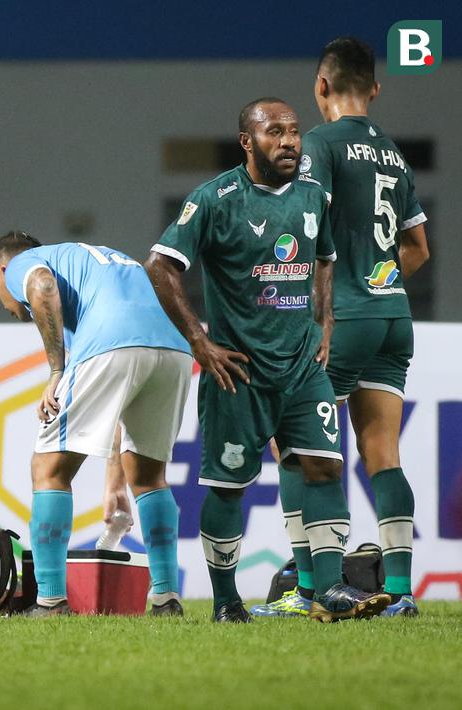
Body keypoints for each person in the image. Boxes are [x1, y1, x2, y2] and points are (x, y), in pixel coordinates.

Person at [145, 97, 391, 622]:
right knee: (230, 486)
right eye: (274, 132)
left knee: (324, 466)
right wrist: (199, 341)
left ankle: (330, 590)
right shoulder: (215, 199)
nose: (289, 142)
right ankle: (226, 600)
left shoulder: (311, 195)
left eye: (295, 131)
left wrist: (324, 322)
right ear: (247, 141)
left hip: (302, 366)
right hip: (240, 373)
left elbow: (324, 256)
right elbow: (160, 265)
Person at [253, 38, 430, 619]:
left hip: (340, 320)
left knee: (298, 451)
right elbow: (418, 248)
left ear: (320, 87)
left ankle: (309, 590)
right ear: (374, 89)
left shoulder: (319, 146)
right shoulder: (396, 157)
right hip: (392, 318)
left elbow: (301, 229)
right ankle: (402, 592)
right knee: (383, 453)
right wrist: (375, 278)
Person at [0, 231, 192, 616]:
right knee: (148, 476)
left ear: (1, 269)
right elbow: (120, 397)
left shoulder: (21, 265)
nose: (4, 300)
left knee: (48, 468)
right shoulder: (96, 263)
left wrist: (56, 370)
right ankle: (166, 598)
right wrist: (115, 481)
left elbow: (42, 285)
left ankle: (49, 601)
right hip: (173, 350)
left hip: (114, 343)